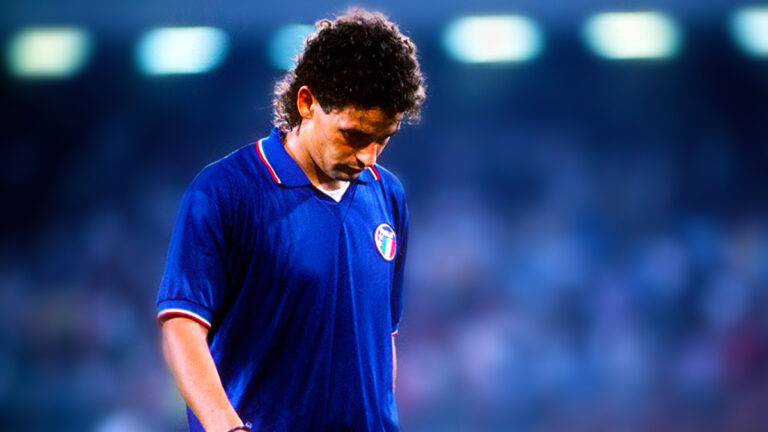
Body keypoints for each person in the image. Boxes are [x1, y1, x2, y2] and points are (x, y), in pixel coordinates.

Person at [156, 9, 425, 432]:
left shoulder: (388, 195)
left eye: (382, 138)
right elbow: (181, 326)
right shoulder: (227, 191)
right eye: (354, 135)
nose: (368, 156)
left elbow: (383, 336)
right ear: (306, 102)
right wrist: (227, 427)